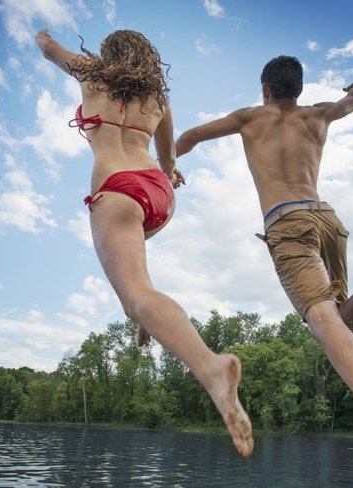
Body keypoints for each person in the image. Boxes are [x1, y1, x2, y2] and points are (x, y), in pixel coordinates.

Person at [174, 56, 353, 488]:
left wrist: (166, 164)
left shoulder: (250, 117)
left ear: (266, 89)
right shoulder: (318, 114)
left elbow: (190, 137)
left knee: (321, 322)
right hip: (328, 220)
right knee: (341, 328)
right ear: (298, 89)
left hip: (287, 224)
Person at [36, 29, 253, 458]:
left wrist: (43, 36)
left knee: (134, 292)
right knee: (134, 281)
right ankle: (144, 315)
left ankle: (211, 366)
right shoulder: (157, 98)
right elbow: (169, 158)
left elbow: (48, 50)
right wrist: (170, 174)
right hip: (159, 194)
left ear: (108, 53)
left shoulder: (92, 75)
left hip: (117, 189)